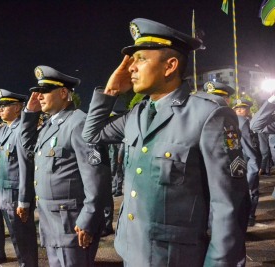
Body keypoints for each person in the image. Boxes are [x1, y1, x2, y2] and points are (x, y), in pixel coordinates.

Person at [82, 18, 250, 266]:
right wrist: (110, 92)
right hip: (132, 251)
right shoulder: (136, 115)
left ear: (170, 65)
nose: (131, 68)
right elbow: (92, 134)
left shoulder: (206, 115)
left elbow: (229, 207)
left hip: (176, 258)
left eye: (141, 59)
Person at [20, 66, 109, 267]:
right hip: (51, 221)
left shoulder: (78, 123)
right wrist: (29, 114)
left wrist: (88, 220)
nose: (39, 97)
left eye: (45, 91)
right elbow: (26, 147)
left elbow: (96, 179)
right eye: (38, 92)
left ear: (63, 93)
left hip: (72, 223)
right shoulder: (50, 125)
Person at [0, 89, 38, 267]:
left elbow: (25, 167)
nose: (1, 109)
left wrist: (24, 199)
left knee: (24, 239)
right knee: (15, 237)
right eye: (1, 106)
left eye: (5, 106)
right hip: (4, 193)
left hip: (15, 194)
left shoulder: (21, 129)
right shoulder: (5, 129)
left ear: (18, 108)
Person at [233, 99, 261, 227]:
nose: (239, 110)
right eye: (237, 108)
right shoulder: (243, 123)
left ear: (248, 110)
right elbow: (249, 147)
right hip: (246, 161)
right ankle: (249, 217)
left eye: (242, 108)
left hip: (235, 162)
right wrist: (255, 165)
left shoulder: (230, 120)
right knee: (252, 190)